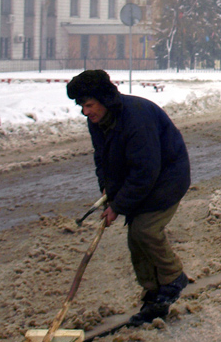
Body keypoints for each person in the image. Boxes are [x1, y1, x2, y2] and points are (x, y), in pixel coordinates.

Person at [66, 69, 191, 326]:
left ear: (104, 100)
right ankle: (155, 294)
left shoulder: (136, 118)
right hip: (143, 180)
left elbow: (145, 171)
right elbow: (102, 159)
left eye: (89, 105)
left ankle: (173, 278)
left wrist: (118, 206)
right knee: (135, 237)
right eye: (82, 106)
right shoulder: (98, 121)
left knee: (145, 230)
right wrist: (107, 191)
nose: (85, 112)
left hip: (166, 178)